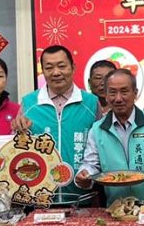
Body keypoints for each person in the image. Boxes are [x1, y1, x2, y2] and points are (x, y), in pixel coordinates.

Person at [75, 69, 144, 205]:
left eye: (124, 92)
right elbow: (91, 163)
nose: (118, 98)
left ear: (135, 93)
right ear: (106, 95)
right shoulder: (97, 129)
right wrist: (84, 174)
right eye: (112, 92)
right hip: (115, 207)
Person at [12, 45, 101, 197]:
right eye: (49, 68)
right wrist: (17, 129)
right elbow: (16, 148)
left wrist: (89, 175)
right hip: (39, 198)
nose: (56, 72)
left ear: (73, 67)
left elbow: (101, 146)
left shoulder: (91, 103)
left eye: (61, 66)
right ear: (43, 71)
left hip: (82, 197)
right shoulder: (29, 103)